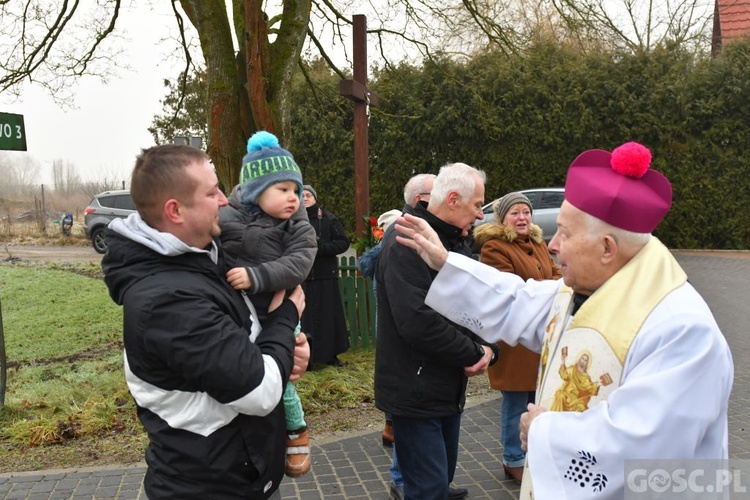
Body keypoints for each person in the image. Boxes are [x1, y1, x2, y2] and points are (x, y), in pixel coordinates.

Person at [394, 142, 734, 499]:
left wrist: (544, 432)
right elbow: (516, 300)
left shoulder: (681, 329)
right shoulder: (583, 289)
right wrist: (445, 262)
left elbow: (648, 452)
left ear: (607, 249)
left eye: (565, 233)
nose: (552, 243)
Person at [102, 144, 310, 500]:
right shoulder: (167, 301)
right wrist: (285, 320)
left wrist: (287, 350)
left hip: (242, 474)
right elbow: (259, 391)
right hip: (210, 486)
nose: (225, 201)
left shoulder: (203, 259)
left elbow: (243, 336)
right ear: (175, 210)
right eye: (212, 192)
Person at [375, 163, 499, 500]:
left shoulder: (453, 240)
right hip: (415, 390)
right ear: (455, 200)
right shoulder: (406, 240)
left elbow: (472, 303)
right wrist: (473, 353)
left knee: (439, 481)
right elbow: (417, 320)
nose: (479, 216)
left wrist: (488, 348)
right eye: (477, 206)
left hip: (444, 387)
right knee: (427, 489)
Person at [218, 131, 317, 478]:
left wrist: (258, 276)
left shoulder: (297, 224)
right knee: (244, 373)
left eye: (295, 189)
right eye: (283, 190)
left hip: (278, 306)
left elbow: (301, 261)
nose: (294, 198)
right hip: (238, 310)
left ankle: (296, 429)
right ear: (256, 190)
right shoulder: (226, 217)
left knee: (283, 374)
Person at [471, 191, 561, 484]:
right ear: (503, 218)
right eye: (515, 213)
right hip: (515, 340)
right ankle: (513, 458)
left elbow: (557, 271)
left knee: (538, 399)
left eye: (526, 212)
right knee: (515, 403)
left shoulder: (538, 242)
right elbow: (510, 289)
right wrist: (552, 285)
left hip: (540, 335)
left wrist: (554, 281)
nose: (522, 218)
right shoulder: (494, 248)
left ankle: (533, 454)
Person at [301, 185, 351, 367]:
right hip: (303, 276)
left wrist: (323, 249)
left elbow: (343, 242)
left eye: (308, 195)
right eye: (301, 195)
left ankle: (331, 356)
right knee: (305, 320)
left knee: (329, 318)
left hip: (325, 276)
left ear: (315, 198)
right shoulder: (294, 219)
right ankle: (306, 359)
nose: (305, 198)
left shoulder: (328, 218)